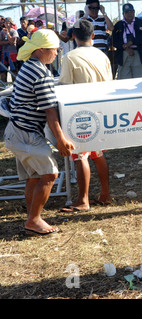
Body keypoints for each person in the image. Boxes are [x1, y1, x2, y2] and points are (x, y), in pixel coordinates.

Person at [4, 29, 75, 235]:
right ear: (42, 49)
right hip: (26, 133)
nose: (56, 53)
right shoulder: (41, 73)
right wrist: (61, 140)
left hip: (16, 130)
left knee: (34, 177)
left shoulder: (29, 66)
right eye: (55, 49)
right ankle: (34, 220)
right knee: (50, 174)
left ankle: (32, 218)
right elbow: (49, 111)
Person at [58, 19, 113, 213]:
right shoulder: (102, 55)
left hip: (80, 110)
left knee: (80, 155)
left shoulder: (69, 57)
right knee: (98, 153)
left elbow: (64, 87)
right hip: (102, 109)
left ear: (73, 36)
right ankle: (105, 194)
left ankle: (83, 200)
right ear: (94, 35)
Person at [112, 3, 142, 79]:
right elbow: (114, 40)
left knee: (140, 77)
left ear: (134, 12)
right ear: (123, 14)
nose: (129, 14)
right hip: (124, 53)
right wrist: (126, 47)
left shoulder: (141, 23)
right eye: (127, 12)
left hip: (139, 53)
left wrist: (132, 42)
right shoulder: (118, 25)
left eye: (131, 12)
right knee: (124, 78)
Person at [0, 17, 19, 83]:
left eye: (8, 23)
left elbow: (13, 42)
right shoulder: (2, 32)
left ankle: (15, 85)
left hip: (12, 52)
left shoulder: (14, 31)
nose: (7, 25)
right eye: (6, 23)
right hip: (4, 52)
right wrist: (8, 42)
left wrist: (8, 33)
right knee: (3, 71)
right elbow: (1, 42)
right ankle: (3, 85)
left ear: (11, 24)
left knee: (13, 70)